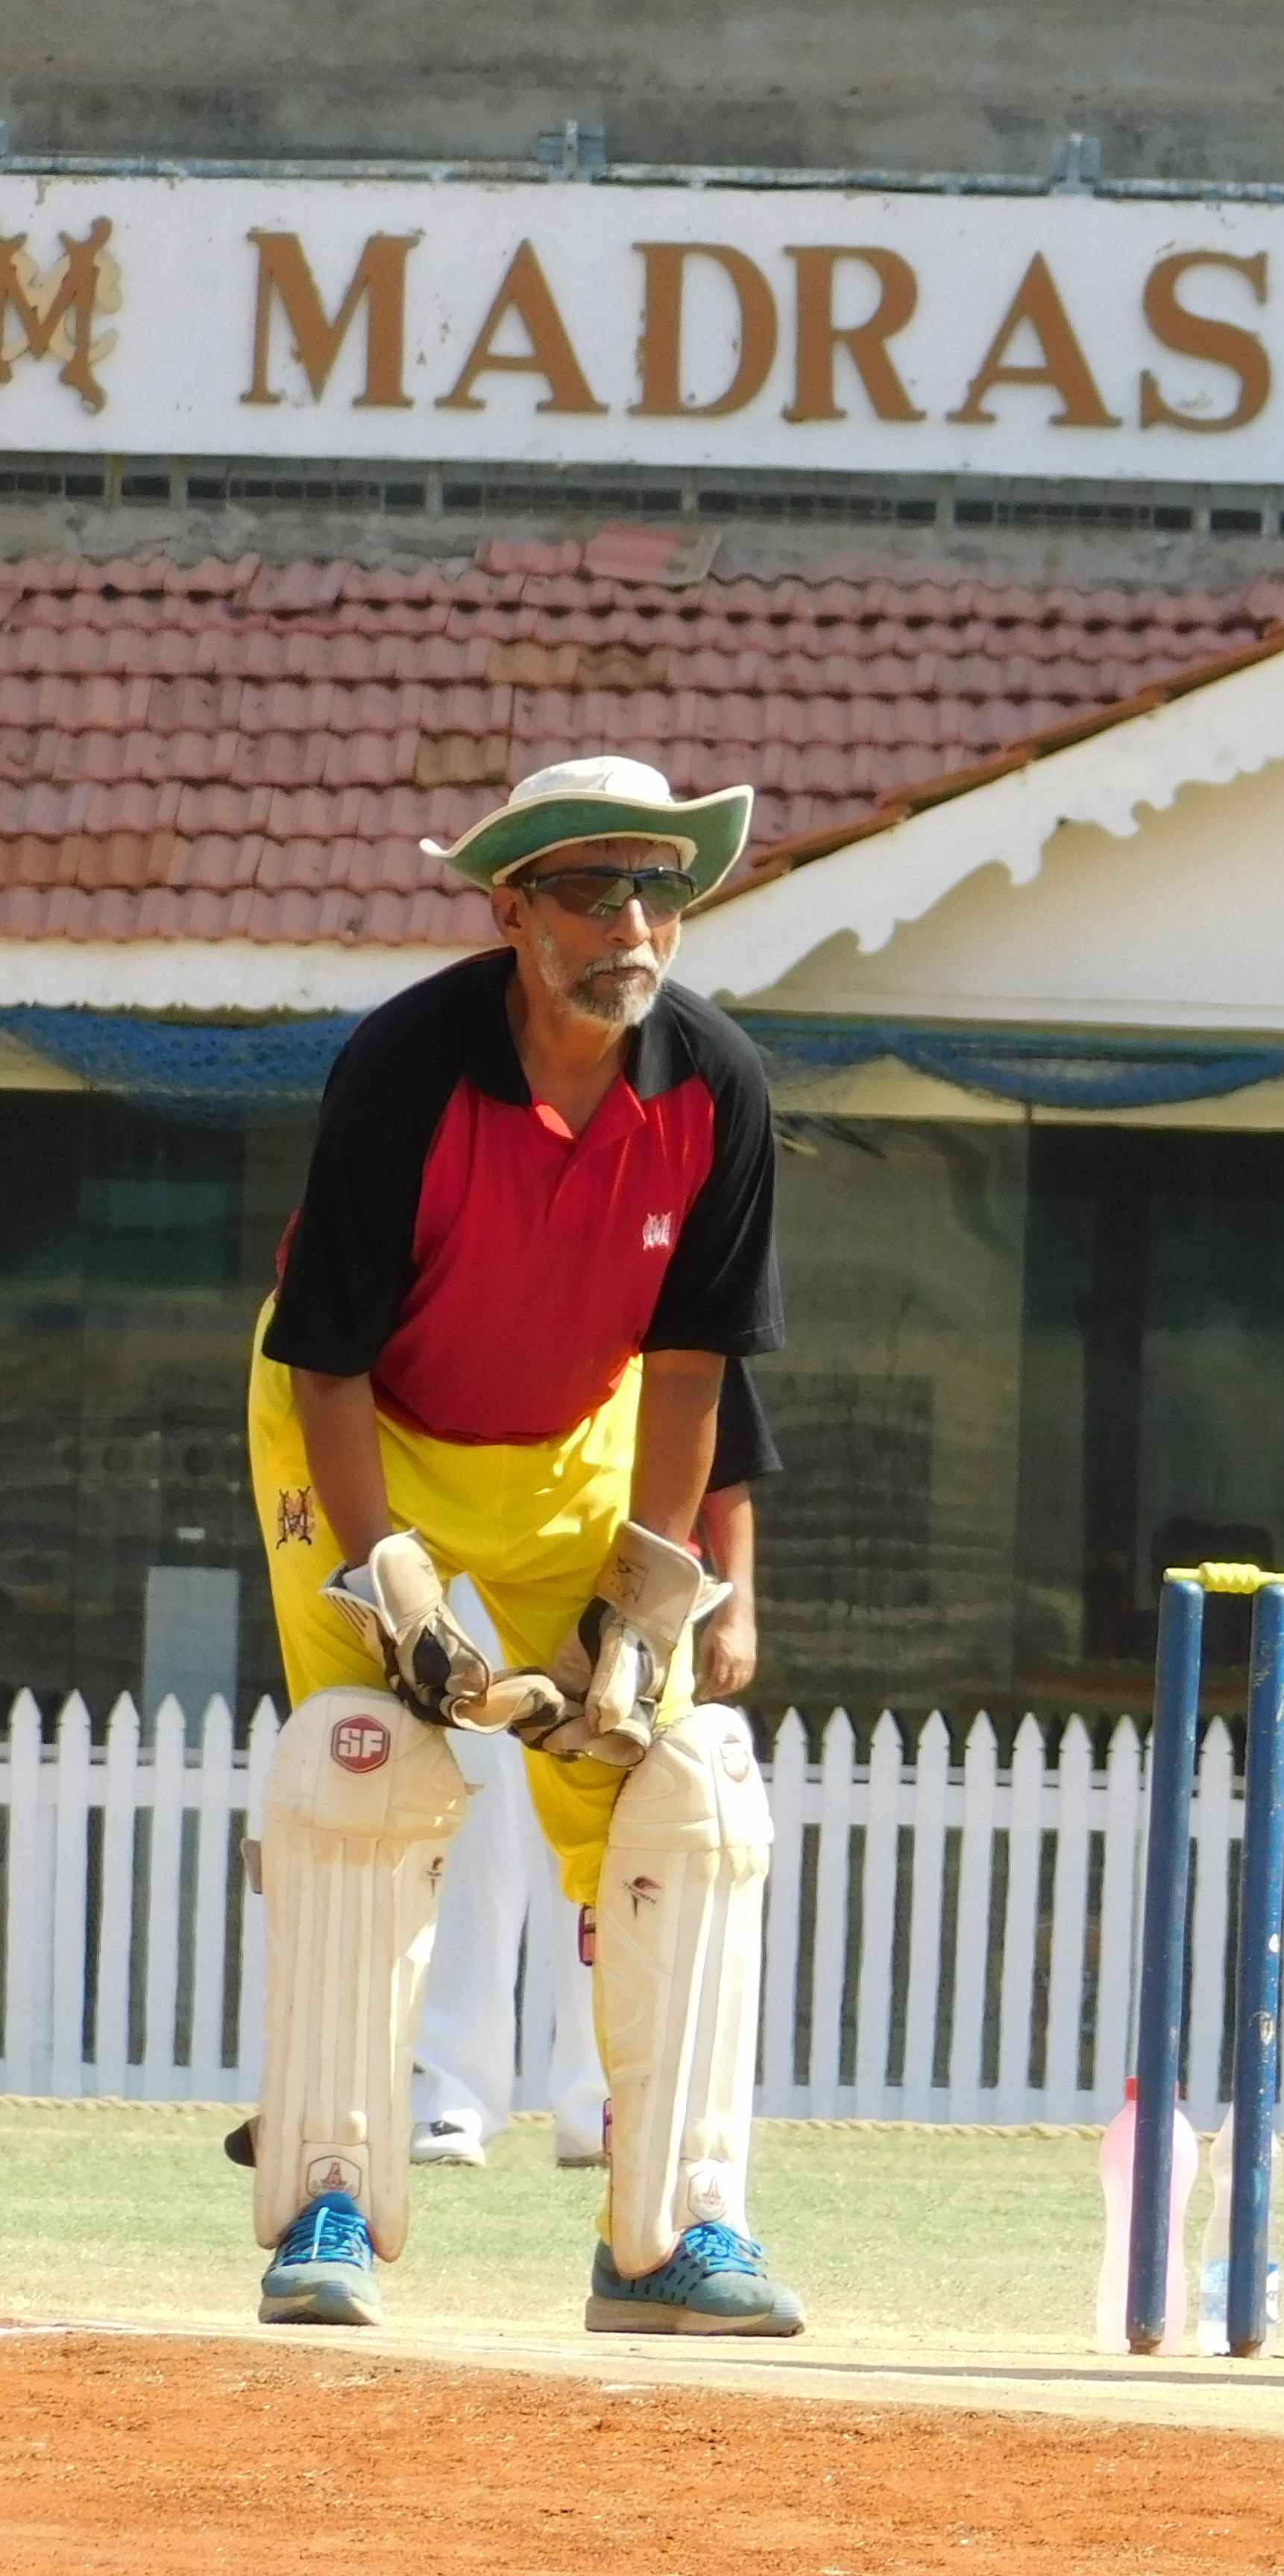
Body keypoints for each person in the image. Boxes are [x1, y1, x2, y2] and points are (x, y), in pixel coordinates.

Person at [236, 753, 801, 2337]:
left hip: (575, 1447)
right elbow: (329, 1364)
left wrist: (646, 1595)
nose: (631, 924)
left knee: (682, 1786)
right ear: (513, 909)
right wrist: (392, 1583)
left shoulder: (718, 1088)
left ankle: (668, 2233)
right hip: (362, 1427)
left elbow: (688, 1373)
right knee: (363, 1761)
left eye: (658, 890)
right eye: (589, 890)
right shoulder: (405, 1068)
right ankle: (329, 2198)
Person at [410, 1361, 778, 2171]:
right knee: (478, 1843)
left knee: (626, 1850)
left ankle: (603, 2102)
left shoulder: (681, 1279)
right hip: (490, 1572)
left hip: (642, 1600)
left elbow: (729, 1459)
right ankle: (450, 2098)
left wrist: (740, 1605)